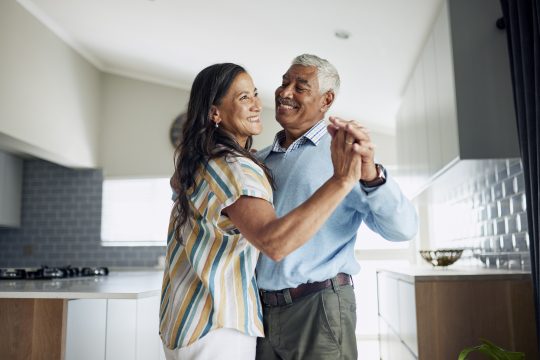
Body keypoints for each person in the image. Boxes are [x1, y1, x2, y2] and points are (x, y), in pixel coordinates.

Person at [159, 63, 365, 360]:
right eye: (244, 98)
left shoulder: (206, 161)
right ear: (215, 112)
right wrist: (342, 180)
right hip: (217, 324)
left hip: (188, 320)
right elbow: (274, 243)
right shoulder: (235, 168)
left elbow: (177, 185)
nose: (258, 103)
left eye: (254, 94)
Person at [255, 54, 419, 360]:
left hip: (318, 307)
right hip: (260, 312)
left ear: (326, 99)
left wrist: (371, 175)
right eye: (283, 82)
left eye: (300, 86)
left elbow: (404, 229)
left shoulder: (343, 155)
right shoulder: (259, 160)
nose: (285, 92)